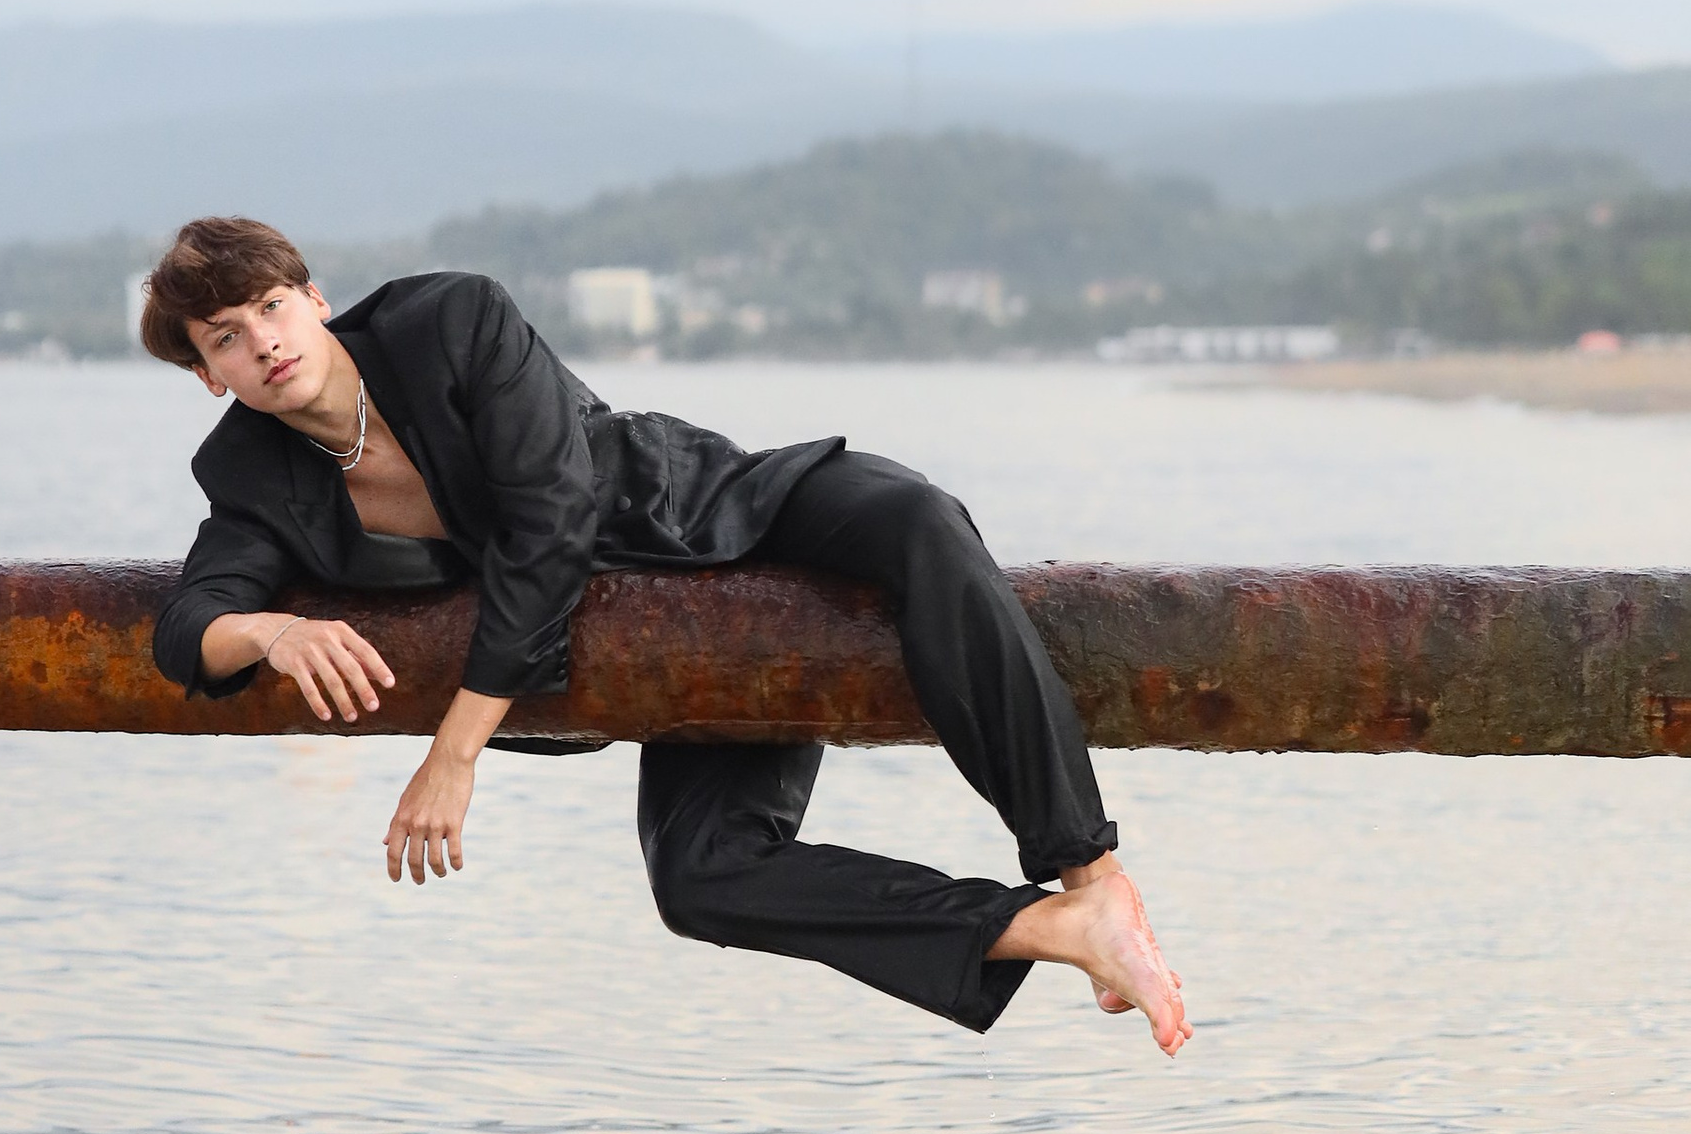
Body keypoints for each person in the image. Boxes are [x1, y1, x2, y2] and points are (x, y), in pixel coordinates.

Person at [141, 218, 1188, 1053]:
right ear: (208, 376)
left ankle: (1089, 880)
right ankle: (1043, 930)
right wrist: (270, 631)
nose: (263, 341)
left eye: (271, 306)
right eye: (224, 337)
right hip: (657, 657)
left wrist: (454, 755)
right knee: (701, 877)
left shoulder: (449, 320)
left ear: (316, 299)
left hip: (716, 512)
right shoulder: (246, 473)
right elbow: (189, 625)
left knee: (918, 519)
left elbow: (551, 524)